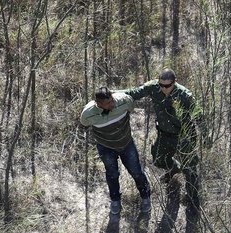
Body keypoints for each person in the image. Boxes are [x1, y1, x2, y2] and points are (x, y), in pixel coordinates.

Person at [120, 69, 202, 207]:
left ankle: (193, 201)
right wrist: (112, 93)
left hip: (184, 135)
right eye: (161, 85)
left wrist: (206, 137)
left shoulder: (185, 95)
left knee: (190, 169)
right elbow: (134, 93)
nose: (164, 88)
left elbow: (199, 116)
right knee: (158, 159)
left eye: (167, 85)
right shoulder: (153, 87)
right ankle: (175, 168)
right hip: (164, 133)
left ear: (174, 83)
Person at [80, 87, 151, 215]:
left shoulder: (123, 101)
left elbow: (131, 106)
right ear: (99, 104)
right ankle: (115, 200)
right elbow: (84, 122)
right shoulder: (88, 114)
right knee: (112, 174)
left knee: (136, 171)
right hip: (106, 147)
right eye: (107, 104)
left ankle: (146, 196)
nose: (112, 104)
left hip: (126, 143)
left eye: (111, 100)